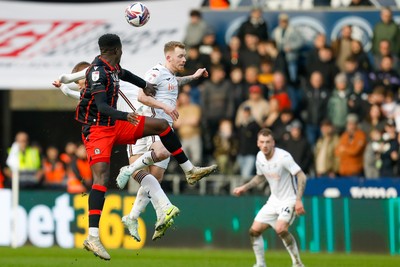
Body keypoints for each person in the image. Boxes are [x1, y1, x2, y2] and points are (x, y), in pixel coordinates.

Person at [53, 34, 217, 260]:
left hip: (117, 123)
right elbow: (99, 103)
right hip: (100, 131)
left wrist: (145, 85)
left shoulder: (109, 68)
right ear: (117, 49)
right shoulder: (97, 74)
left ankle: (189, 170)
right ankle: (93, 236)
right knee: (102, 178)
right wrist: (67, 85)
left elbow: (122, 74)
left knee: (161, 129)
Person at [118, 41, 215, 242]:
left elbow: (174, 83)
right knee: (155, 159)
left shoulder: (170, 76)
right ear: (168, 57)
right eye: (180, 56)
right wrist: (165, 106)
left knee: (156, 177)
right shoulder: (155, 72)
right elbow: (142, 96)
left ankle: (133, 216)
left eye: (185, 55)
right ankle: (136, 179)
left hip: (164, 128)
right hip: (151, 125)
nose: (184, 59)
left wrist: (193, 77)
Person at [233, 128, 306, 267]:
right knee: (254, 231)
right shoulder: (260, 156)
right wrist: (244, 187)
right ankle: (260, 264)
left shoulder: (284, 157)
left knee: (280, 229)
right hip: (274, 201)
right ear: (258, 143)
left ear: (273, 143)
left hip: (289, 200)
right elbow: (260, 177)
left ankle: (297, 264)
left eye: (268, 142)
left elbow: (301, 175)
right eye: (262, 142)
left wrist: (298, 200)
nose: (265, 145)